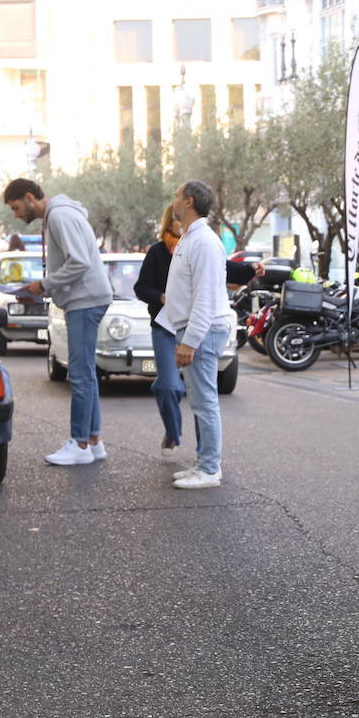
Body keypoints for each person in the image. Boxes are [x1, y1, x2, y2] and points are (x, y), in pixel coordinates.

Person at [135, 204, 262, 458]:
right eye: (173, 218)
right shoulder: (161, 251)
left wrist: (251, 269)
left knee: (200, 395)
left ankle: (205, 458)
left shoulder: (198, 242)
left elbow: (222, 270)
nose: (178, 221)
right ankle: (174, 434)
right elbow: (141, 288)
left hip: (195, 325)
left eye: (179, 213)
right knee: (170, 386)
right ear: (168, 222)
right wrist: (161, 297)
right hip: (164, 325)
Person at [4, 177, 113, 466]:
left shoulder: (59, 216)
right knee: (86, 372)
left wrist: (43, 285)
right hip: (87, 298)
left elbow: (79, 263)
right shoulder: (61, 214)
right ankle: (93, 441)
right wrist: (42, 287)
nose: (16, 214)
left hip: (85, 300)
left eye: (16, 207)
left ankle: (79, 444)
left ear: (30, 197)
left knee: (79, 373)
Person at [157, 180, 235, 489]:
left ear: (189, 201)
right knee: (201, 402)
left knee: (205, 403)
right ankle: (203, 463)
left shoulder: (203, 241)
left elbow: (205, 297)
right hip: (190, 329)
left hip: (200, 332)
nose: (173, 201)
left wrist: (190, 340)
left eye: (177, 196)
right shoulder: (192, 238)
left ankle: (209, 469)